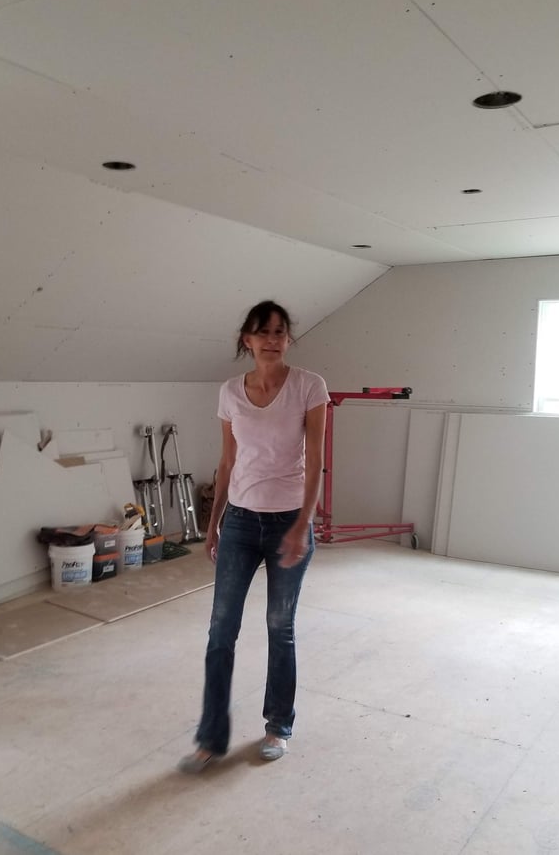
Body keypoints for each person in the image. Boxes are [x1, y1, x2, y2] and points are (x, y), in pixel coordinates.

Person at [179, 300, 329, 773]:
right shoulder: (229, 392)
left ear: (288, 338)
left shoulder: (309, 386)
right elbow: (227, 461)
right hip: (241, 522)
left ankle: (277, 727)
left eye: (280, 332)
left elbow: (316, 460)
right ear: (246, 338)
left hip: (288, 522)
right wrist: (214, 523)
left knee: (278, 628)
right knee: (221, 631)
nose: (271, 339)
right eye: (262, 332)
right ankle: (210, 739)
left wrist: (303, 525)